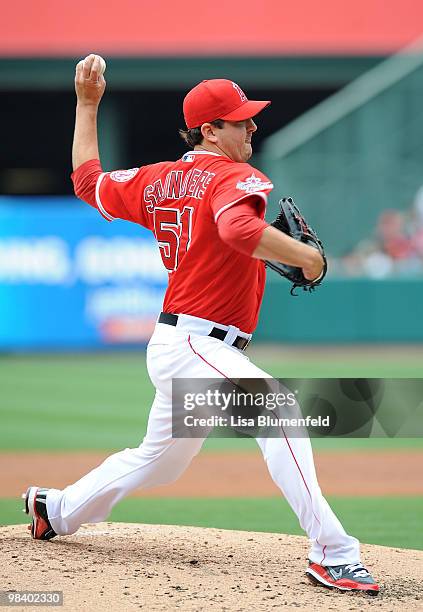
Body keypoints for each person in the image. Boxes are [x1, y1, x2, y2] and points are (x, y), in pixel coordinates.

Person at [23, 54, 379, 596]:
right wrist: (308, 259)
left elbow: (86, 180)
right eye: (240, 120)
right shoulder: (236, 175)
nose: (252, 125)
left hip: (178, 342)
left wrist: (87, 105)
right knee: (276, 408)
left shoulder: (158, 179)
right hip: (196, 342)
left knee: (161, 461)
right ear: (209, 131)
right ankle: (334, 552)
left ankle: (58, 508)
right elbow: (239, 230)